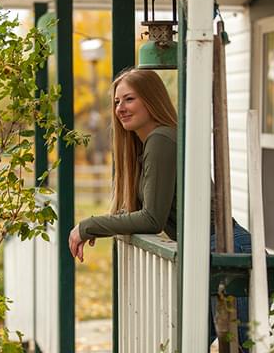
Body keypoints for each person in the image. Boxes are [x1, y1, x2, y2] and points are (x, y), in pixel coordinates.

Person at [68, 68, 251, 351]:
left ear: (151, 100)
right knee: (193, 344)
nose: (121, 108)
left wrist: (88, 226)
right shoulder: (155, 141)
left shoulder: (161, 139)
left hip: (228, 249)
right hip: (211, 251)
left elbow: (152, 218)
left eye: (129, 99)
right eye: (117, 102)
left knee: (238, 346)